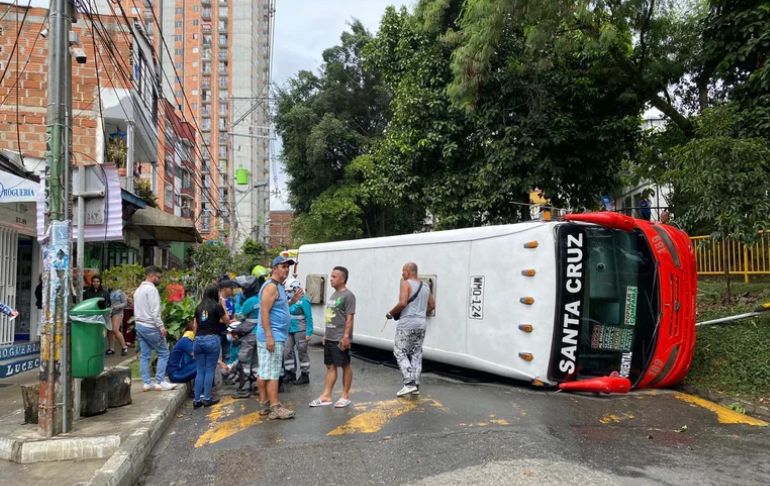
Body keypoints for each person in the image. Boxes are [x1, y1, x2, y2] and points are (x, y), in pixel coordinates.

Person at [309, 266, 356, 409]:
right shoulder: (333, 295)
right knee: (330, 366)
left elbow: (350, 318)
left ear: (342, 279)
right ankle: (326, 396)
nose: (331, 279)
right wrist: (325, 334)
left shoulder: (348, 296)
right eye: (331, 276)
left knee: (345, 365)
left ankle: (345, 396)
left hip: (340, 338)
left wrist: (346, 337)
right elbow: (330, 317)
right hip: (330, 337)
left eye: (334, 277)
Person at [386, 262, 435, 396]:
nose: (402, 274)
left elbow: (402, 303)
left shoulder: (406, 283)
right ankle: (416, 385)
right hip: (421, 324)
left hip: (407, 323)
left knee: (399, 351)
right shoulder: (425, 286)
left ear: (408, 271)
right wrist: (420, 314)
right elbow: (432, 305)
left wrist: (390, 313)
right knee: (416, 353)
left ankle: (409, 383)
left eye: (403, 271)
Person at [256, 255, 296, 420]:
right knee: (272, 373)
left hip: (275, 334)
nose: (286, 269)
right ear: (274, 268)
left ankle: (264, 404)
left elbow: (279, 308)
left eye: (288, 267)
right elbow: (264, 311)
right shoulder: (271, 287)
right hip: (272, 335)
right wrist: (269, 336)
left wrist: (293, 301)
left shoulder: (279, 286)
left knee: (265, 371)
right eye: (283, 266)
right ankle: (274, 407)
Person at [134, 266, 177, 392]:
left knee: (145, 355)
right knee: (164, 352)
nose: (160, 280)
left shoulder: (138, 290)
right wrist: (161, 327)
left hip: (140, 325)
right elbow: (155, 312)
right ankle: (160, 381)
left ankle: (147, 383)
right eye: (159, 277)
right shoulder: (151, 290)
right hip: (151, 326)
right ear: (152, 276)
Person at [192, 284, 230, 408]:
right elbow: (227, 320)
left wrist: (195, 340)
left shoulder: (198, 307)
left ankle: (197, 400)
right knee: (209, 370)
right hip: (212, 339)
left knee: (200, 370)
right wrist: (222, 304)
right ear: (215, 293)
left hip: (198, 339)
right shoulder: (217, 306)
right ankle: (207, 398)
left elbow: (195, 326)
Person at [232, 275, 262, 398]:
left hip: (249, 334)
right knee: (255, 362)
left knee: (244, 361)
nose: (242, 291)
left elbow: (239, 316)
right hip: (259, 334)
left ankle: (243, 389)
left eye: (243, 289)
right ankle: (256, 387)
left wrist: (238, 303)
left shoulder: (249, 302)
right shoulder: (260, 299)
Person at [283, 279, 313, 385]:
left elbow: (309, 318)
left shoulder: (304, 300)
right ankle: (290, 373)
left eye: (290, 291)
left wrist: (309, 332)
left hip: (301, 329)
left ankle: (305, 375)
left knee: (302, 352)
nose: (288, 293)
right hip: (290, 329)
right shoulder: (288, 300)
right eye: (286, 291)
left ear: (296, 289)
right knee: (286, 351)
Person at [107, 288, 129, 356]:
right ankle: (111, 349)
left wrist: (118, 306)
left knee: (115, 329)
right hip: (109, 312)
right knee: (110, 331)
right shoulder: (107, 290)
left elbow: (125, 303)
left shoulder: (120, 292)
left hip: (118, 312)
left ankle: (124, 347)